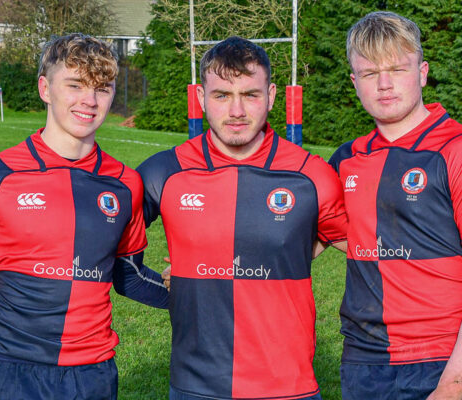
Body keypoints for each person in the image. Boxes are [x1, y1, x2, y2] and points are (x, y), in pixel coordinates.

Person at [0, 33, 168, 400]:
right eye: (75, 85)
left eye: (102, 88)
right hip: (6, 367)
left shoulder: (125, 183)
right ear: (45, 89)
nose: (89, 101)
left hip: (92, 373)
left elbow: (129, 275)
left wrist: (197, 293)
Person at [139, 36, 348, 400]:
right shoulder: (165, 171)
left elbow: (367, 246)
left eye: (250, 95)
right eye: (222, 95)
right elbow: (99, 244)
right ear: (201, 98)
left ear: (271, 95)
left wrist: (290, 252)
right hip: (196, 387)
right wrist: (174, 288)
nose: (236, 110)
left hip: (288, 387)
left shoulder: (310, 175)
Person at [328, 11, 462, 400]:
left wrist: (451, 386)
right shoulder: (346, 159)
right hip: (362, 361)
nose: (384, 84)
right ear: (354, 82)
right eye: (369, 73)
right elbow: (298, 238)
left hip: (441, 360)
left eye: (397, 69)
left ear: (422, 72)